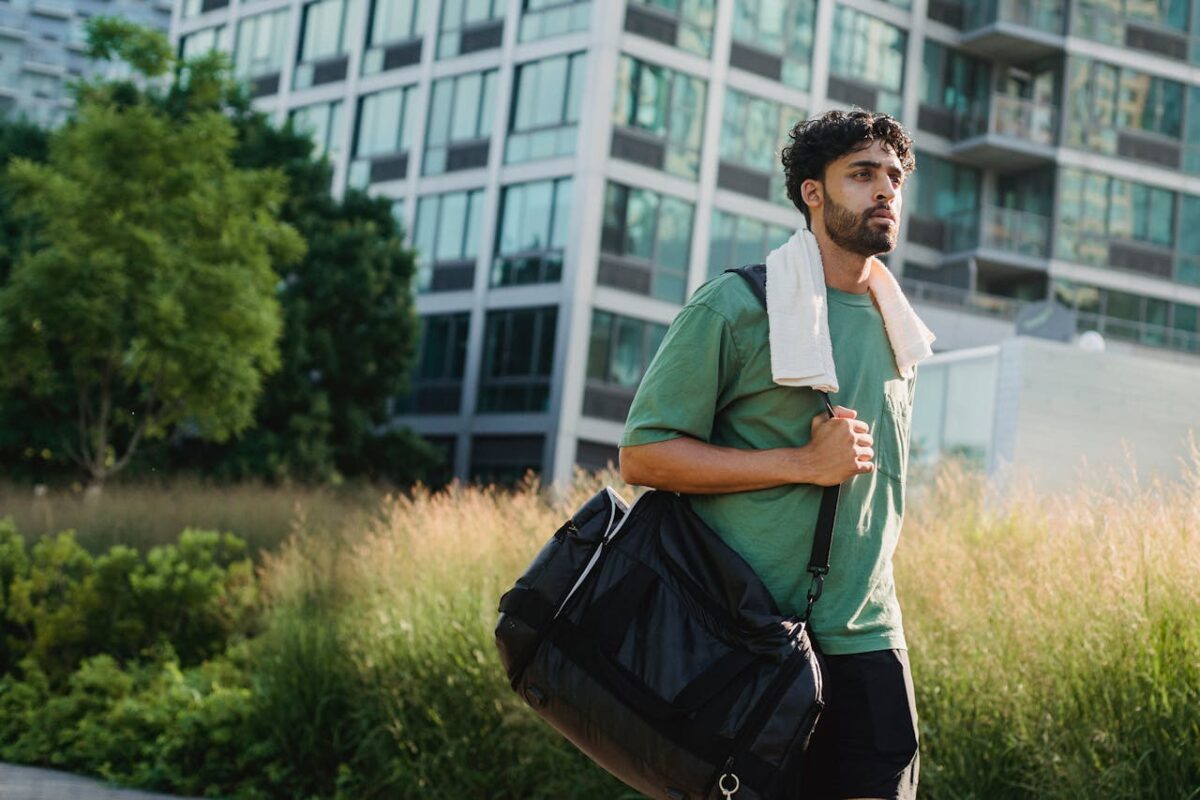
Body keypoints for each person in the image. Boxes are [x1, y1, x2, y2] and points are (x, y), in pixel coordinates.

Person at [618, 109, 926, 800]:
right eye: (862, 174)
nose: (886, 191)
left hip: (870, 635)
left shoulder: (899, 328)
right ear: (812, 193)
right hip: (746, 638)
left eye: (895, 177)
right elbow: (643, 456)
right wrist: (799, 464)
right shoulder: (736, 306)